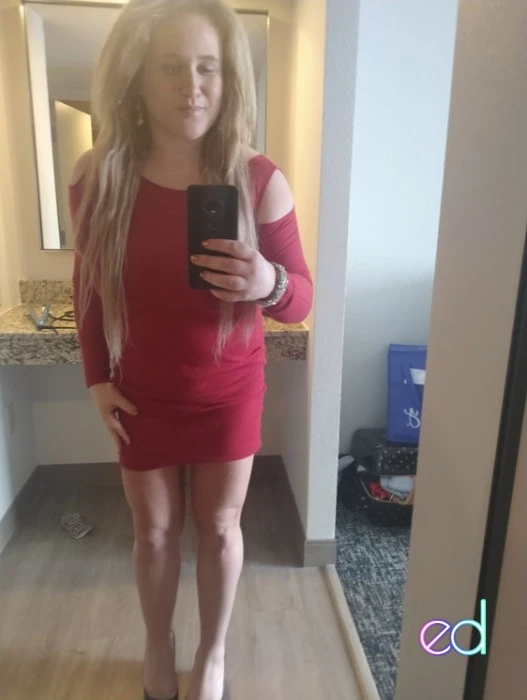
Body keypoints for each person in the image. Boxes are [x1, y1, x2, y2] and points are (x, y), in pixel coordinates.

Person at [70, 1, 312, 699]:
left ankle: (211, 653)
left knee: (220, 528)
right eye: (171, 68)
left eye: (208, 67)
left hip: (227, 393)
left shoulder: (259, 179)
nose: (192, 86)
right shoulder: (98, 176)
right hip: (140, 391)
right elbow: (88, 288)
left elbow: (300, 300)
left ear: (229, 76)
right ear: (138, 77)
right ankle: (158, 645)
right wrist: (96, 379)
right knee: (152, 534)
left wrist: (266, 282)